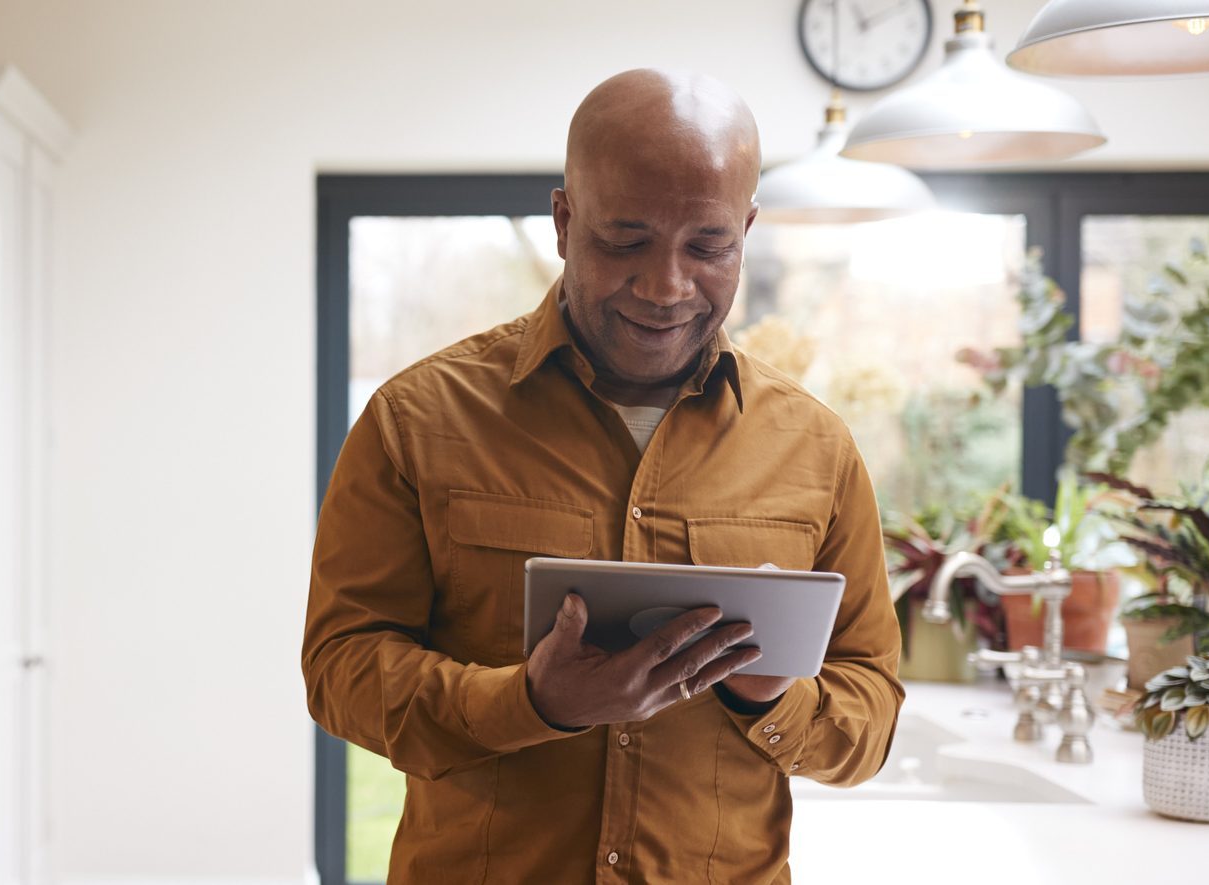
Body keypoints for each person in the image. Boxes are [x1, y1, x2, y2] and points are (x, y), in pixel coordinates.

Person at [302, 68, 903, 884]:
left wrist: (771, 698)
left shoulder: (815, 448)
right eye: (624, 241)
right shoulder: (416, 419)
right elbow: (342, 669)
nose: (665, 287)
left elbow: (869, 718)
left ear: (746, 231)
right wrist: (531, 701)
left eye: (708, 246)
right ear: (562, 220)